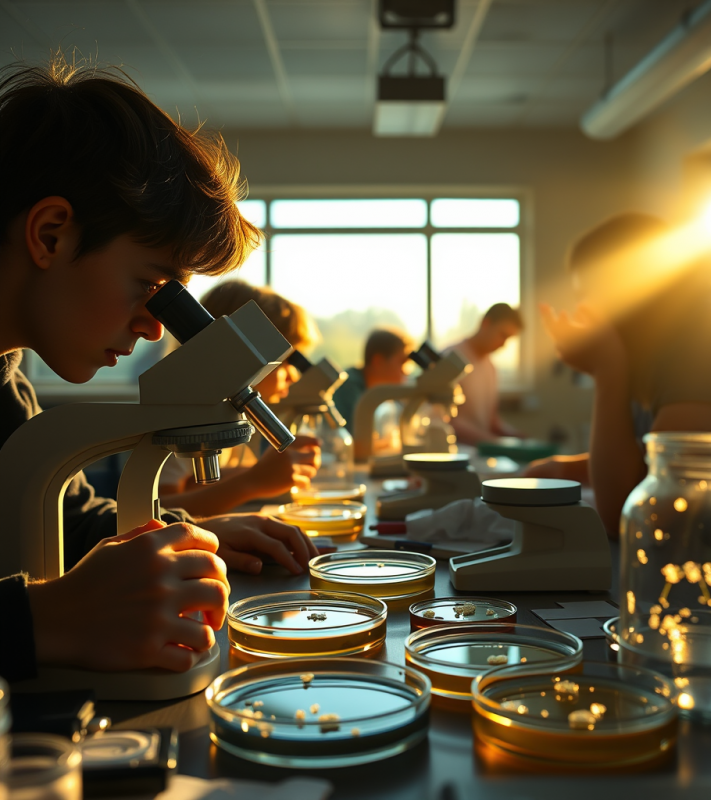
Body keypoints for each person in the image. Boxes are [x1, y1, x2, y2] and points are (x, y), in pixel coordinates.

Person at [0, 57, 316, 682]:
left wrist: (191, 536)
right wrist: (42, 620)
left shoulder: (4, 377)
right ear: (52, 234)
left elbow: (63, 520)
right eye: (147, 284)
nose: (153, 326)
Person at [524, 212, 711, 535]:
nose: (584, 311)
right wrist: (564, 468)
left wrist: (606, 369)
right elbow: (646, 462)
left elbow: (630, 515)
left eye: (588, 295)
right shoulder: (660, 350)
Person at [158, 280, 322, 516]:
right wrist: (253, 482)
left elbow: (195, 485)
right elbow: (161, 507)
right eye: (286, 361)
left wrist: (262, 474)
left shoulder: (227, 410)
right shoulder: (183, 414)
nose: (294, 376)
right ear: (242, 353)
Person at [443, 303, 525, 445]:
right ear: (486, 323)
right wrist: (494, 442)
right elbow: (445, 420)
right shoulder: (450, 359)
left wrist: (519, 439)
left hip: (481, 453)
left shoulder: (491, 368)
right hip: (454, 452)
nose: (503, 344)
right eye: (503, 335)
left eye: (508, 339)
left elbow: (492, 421)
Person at [332, 328, 413, 433]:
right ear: (378, 361)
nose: (406, 372)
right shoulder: (348, 388)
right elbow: (357, 439)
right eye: (402, 363)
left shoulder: (381, 392)